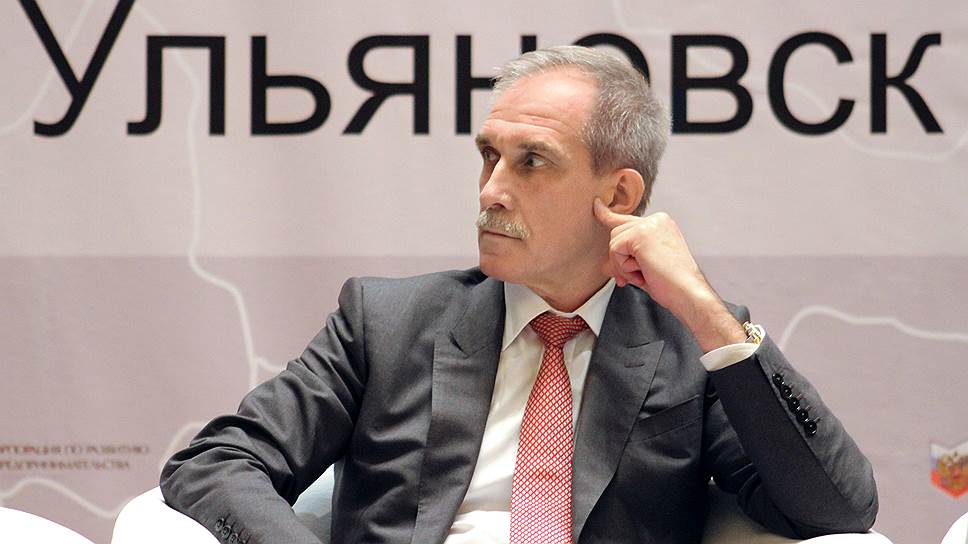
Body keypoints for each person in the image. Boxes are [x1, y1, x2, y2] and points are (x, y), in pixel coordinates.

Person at [160, 46, 878, 544]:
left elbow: (836, 511)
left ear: (618, 195)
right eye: (489, 156)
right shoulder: (387, 321)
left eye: (532, 161)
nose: (491, 191)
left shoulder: (690, 341)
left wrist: (706, 313)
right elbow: (217, 462)